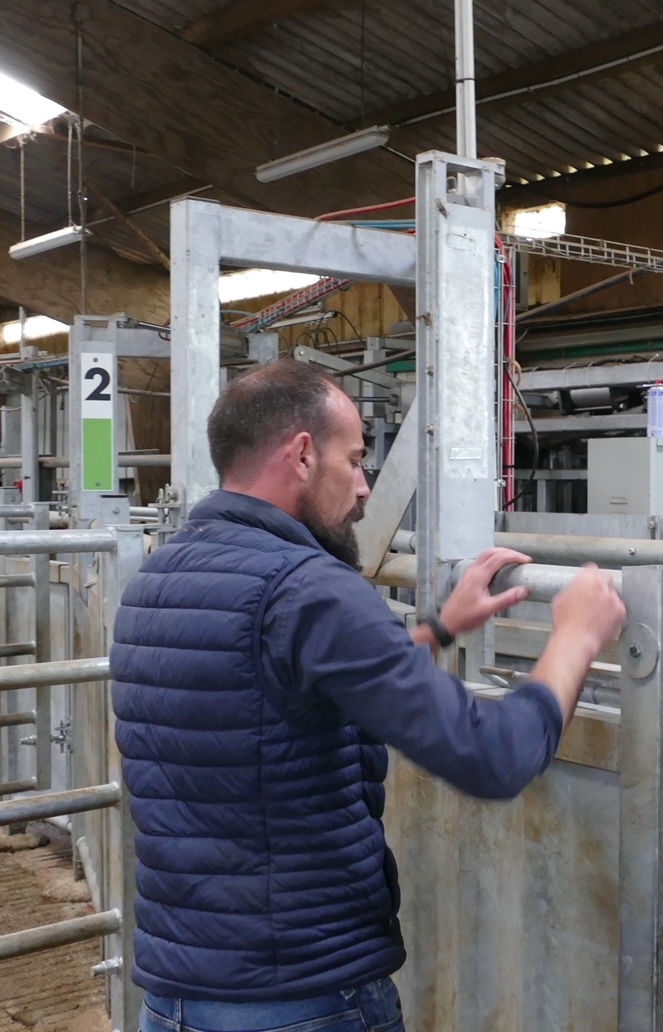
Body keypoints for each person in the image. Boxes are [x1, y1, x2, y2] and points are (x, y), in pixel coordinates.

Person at [110, 361, 625, 1032]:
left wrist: (439, 629)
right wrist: (576, 638)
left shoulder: (156, 579)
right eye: (354, 461)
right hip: (304, 999)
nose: (361, 488)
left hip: (178, 1003)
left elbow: (279, 696)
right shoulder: (308, 587)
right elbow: (493, 756)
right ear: (301, 454)